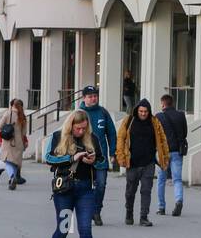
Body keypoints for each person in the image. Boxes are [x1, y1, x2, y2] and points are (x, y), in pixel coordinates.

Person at [44, 109, 101, 238]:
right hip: (65, 190)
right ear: (71, 126)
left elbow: (103, 160)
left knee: (85, 228)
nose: (81, 132)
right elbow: (48, 158)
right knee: (64, 228)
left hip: (85, 190)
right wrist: (72, 157)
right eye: (78, 128)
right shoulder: (57, 137)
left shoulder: (92, 138)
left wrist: (93, 160)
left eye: (84, 128)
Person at [116, 98, 170, 226]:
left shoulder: (154, 122)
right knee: (130, 191)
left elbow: (162, 140)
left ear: (149, 111)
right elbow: (121, 139)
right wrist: (121, 157)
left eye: (145, 111)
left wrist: (165, 157)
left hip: (148, 163)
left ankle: (143, 217)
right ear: (137, 110)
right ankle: (129, 212)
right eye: (141, 111)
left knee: (146, 190)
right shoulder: (129, 121)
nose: (143, 114)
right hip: (132, 163)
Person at [78, 85, 117, 226]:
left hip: (100, 158)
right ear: (84, 98)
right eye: (90, 96)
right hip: (83, 157)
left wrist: (113, 153)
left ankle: (96, 211)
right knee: (86, 186)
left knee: (101, 185)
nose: (93, 98)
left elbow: (112, 133)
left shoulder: (103, 112)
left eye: (95, 95)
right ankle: (86, 211)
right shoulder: (79, 113)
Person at [155, 93, 188, 217]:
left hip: (163, 152)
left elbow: (156, 134)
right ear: (172, 103)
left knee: (161, 180)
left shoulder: (158, 117)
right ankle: (179, 200)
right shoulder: (180, 115)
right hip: (177, 151)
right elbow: (184, 132)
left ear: (163, 104)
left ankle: (161, 207)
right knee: (177, 179)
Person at [0, 99, 29, 190]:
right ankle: (14, 177)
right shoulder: (23, 116)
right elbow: (24, 132)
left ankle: (12, 176)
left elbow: (0, 125)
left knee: (7, 161)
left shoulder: (8, 113)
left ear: (12, 105)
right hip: (19, 142)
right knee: (15, 162)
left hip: (8, 141)